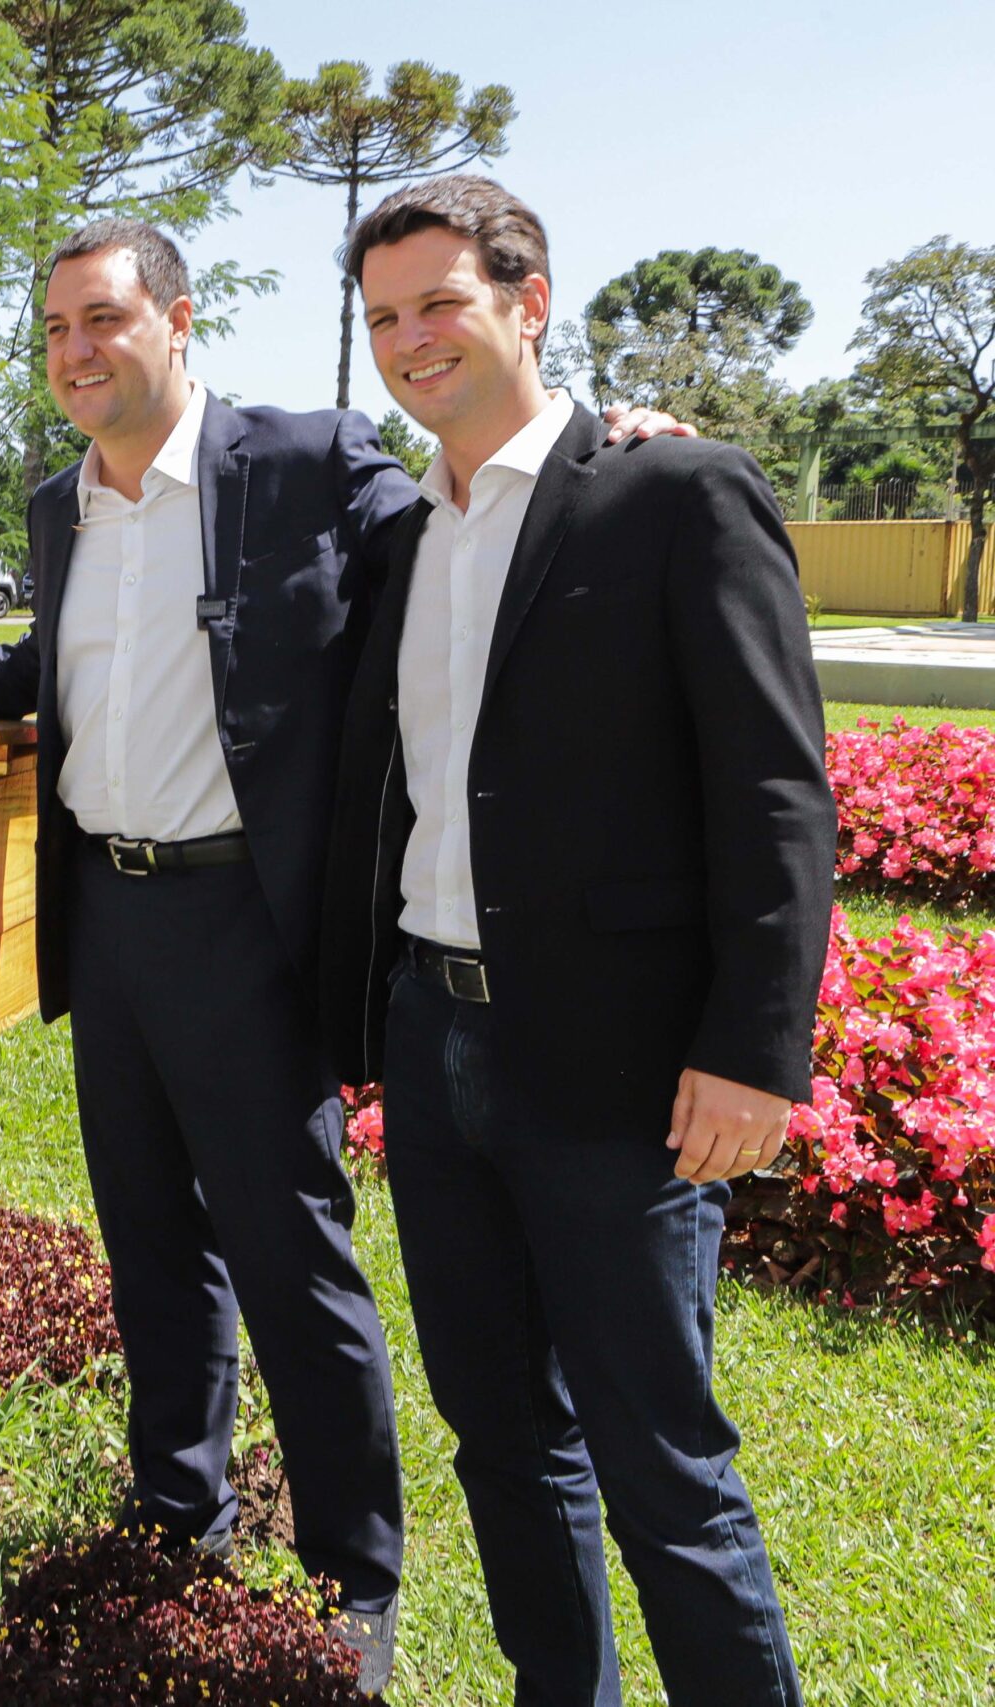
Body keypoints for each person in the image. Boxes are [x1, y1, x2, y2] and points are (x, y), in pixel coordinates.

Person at [0, 218, 687, 1691]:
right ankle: (175, 1516)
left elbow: (488, 520)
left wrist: (621, 451)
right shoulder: (58, 506)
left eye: (104, 320)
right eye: (58, 329)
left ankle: (355, 1573)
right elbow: (44, 666)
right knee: (149, 1246)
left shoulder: (313, 460)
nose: (78, 352)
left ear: (178, 321)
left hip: (252, 930)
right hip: (113, 925)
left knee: (288, 1254)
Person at [320, 175, 828, 1706]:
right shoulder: (406, 537)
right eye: (386, 317)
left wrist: (754, 1051)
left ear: (529, 302)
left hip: (619, 1068)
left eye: (443, 303)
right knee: (501, 1435)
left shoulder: (675, 496)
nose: (414, 341)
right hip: (437, 1033)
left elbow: (776, 787)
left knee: (661, 1457)